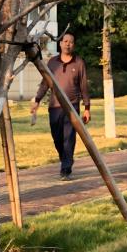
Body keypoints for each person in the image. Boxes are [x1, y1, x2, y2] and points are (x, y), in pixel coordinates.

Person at [31, 32, 91, 181]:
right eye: (65, 41)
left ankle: (66, 168)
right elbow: (45, 83)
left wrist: (87, 108)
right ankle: (65, 159)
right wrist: (37, 100)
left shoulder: (79, 63)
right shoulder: (52, 62)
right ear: (60, 43)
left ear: (73, 45)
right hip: (55, 107)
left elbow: (84, 86)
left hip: (72, 106)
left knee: (69, 138)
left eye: (71, 42)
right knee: (57, 138)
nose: (68, 44)